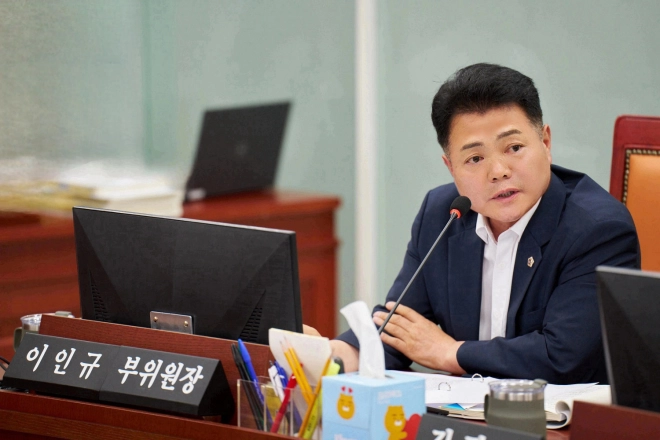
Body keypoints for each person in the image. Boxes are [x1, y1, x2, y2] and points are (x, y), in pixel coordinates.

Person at [328, 63, 640, 384]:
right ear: (451, 167)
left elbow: (563, 357)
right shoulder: (443, 215)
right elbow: (400, 329)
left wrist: (451, 353)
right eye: (475, 158)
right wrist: (331, 355)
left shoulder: (598, 229)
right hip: (464, 410)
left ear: (545, 143)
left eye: (514, 148)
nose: (498, 171)